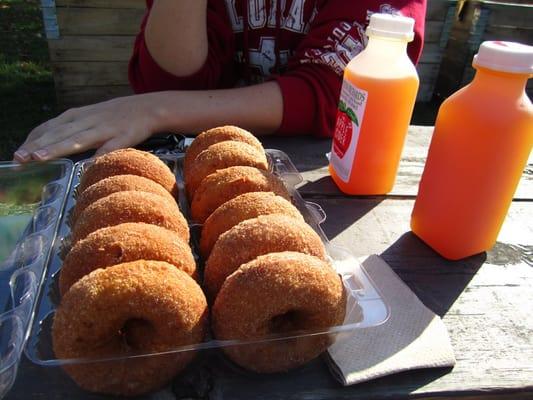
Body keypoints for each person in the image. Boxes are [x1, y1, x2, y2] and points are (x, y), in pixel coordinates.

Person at [14, 0, 426, 162]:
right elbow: (170, 76)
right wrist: (156, 104)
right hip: (191, 151)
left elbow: (334, 94)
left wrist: (154, 110)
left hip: (329, 171)